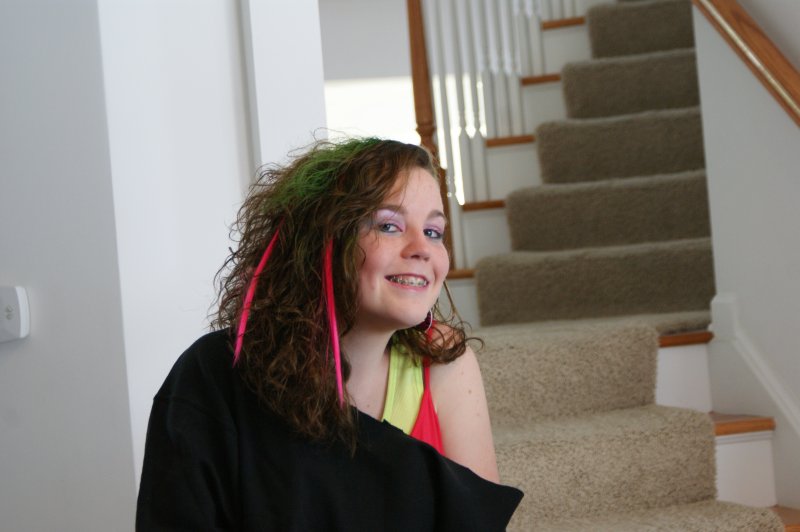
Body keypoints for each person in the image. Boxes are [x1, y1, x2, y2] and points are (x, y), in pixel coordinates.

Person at [136, 138, 523, 531]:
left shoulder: (445, 363)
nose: (422, 248)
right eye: (389, 226)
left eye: (434, 231)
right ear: (322, 240)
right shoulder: (213, 374)